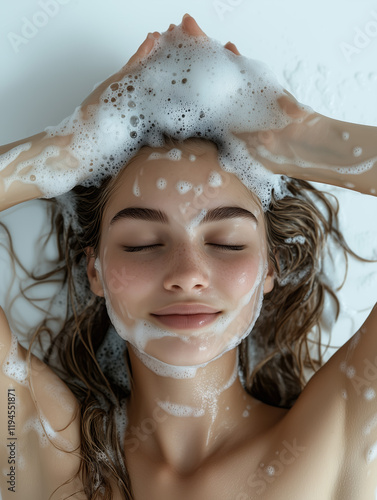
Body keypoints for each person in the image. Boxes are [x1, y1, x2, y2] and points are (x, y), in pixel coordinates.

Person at [0, 13, 376, 500]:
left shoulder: (339, 436)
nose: (187, 275)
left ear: (271, 267)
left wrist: (305, 139)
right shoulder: (44, 450)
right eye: (141, 244)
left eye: (227, 243)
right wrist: (62, 151)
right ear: (95, 270)